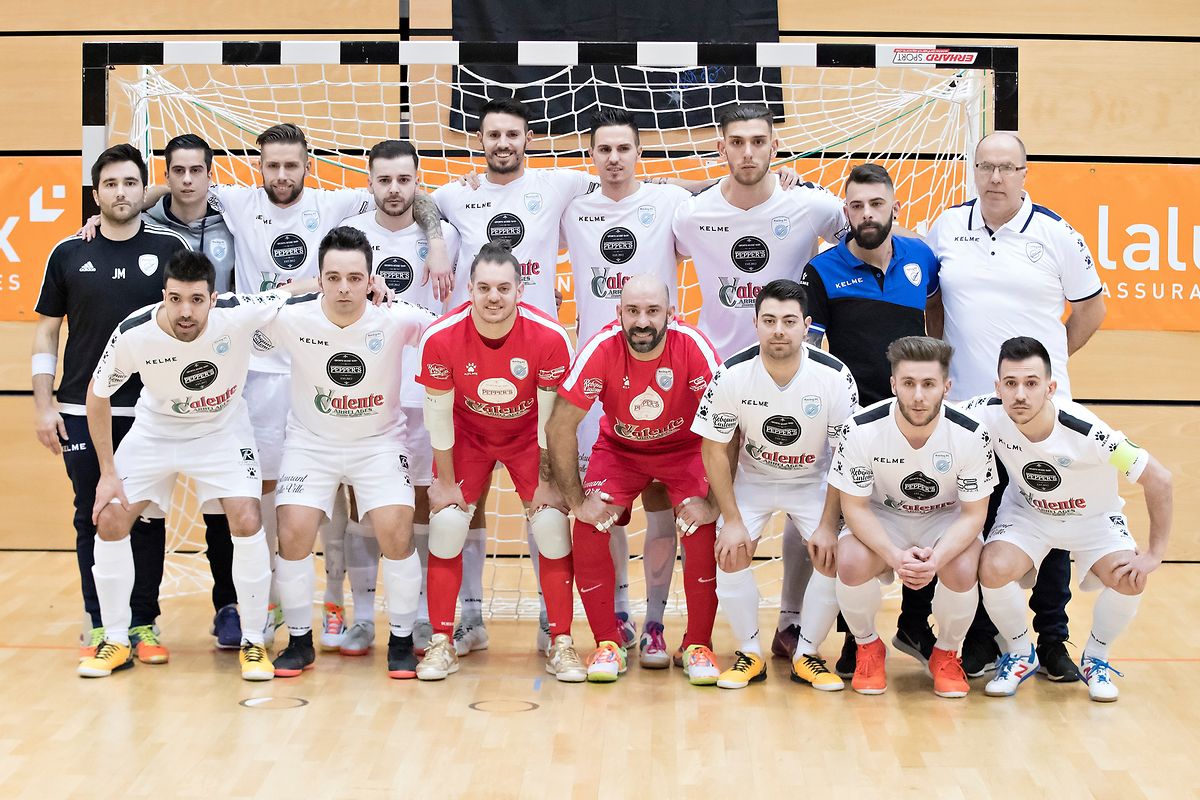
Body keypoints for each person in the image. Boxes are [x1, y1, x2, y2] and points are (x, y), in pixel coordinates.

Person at [926, 131, 1107, 680]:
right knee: (976, 526)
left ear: (1025, 172)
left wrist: (1039, 375)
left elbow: (1090, 310)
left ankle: (1053, 641)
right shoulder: (946, 228)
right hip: (969, 415)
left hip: (1039, 416)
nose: (996, 178)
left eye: (1007, 167)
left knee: (1050, 521)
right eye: (986, 167)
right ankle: (983, 641)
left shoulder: (1056, 233)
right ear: (974, 171)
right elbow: (934, 306)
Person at [672, 103, 847, 662]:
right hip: (719, 379)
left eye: (758, 142)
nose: (748, 152)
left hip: (795, 372)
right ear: (721, 148)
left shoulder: (811, 204)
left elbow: (868, 231)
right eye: (736, 143)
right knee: (714, 514)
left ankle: (793, 621)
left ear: (775, 147)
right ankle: (693, 631)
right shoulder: (691, 214)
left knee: (805, 502)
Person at [78, 251, 296, 680]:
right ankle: (116, 640)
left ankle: (253, 641)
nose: (185, 311)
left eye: (196, 300)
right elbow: (96, 394)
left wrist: (367, 287)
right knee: (109, 520)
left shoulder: (237, 313)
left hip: (221, 431)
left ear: (213, 299)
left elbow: (293, 292)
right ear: (164, 295)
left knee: (248, 518)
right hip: (156, 431)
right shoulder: (134, 333)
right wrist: (107, 473)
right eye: (175, 299)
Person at [432, 98, 600, 653]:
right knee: (457, 518)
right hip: (474, 376)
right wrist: (436, 241)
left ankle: (555, 632)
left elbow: (633, 179)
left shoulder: (558, 184)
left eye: (512, 134)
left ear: (528, 138)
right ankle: (467, 621)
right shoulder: (456, 194)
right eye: (493, 135)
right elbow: (413, 204)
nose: (503, 142)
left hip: (536, 375)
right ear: (479, 141)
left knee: (548, 521)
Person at [33, 144, 189, 664]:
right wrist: (42, 404)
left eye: (130, 183)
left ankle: (143, 623)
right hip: (80, 407)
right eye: (110, 184)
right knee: (92, 513)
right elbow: (47, 334)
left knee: (146, 516)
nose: (120, 193)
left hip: (153, 409)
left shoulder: (170, 249)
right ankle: (102, 623)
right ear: (96, 192)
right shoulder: (67, 252)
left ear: (141, 191)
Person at [261, 226, 434, 679]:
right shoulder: (292, 316)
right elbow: (242, 309)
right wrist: (295, 288)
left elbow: (448, 331)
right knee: (294, 530)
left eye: (355, 278)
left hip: (378, 444)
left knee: (397, 528)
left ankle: (399, 640)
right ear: (319, 279)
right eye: (333, 277)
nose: (344, 288)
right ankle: (299, 642)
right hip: (310, 443)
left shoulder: (396, 316)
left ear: (371, 278)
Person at [966, 336, 1172, 702]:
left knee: (1130, 579)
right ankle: (1019, 653)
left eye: (1031, 383)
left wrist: (1155, 553)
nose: (1020, 395)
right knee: (991, 568)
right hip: (1028, 514)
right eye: (1010, 384)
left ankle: (1096, 658)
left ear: (1051, 387)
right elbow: (935, 412)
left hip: (1093, 520)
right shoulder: (988, 412)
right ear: (998, 387)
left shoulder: (1089, 431)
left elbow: (1159, 478)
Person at [799, 163, 943, 677]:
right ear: (846, 212)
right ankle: (853, 642)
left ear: (893, 208)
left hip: (917, 418)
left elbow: (935, 317)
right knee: (846, 530)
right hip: (856, 423)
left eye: (875, 204)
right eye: (855, 206)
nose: (866, 214)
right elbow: (812, 350)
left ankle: (914, 624)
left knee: (925, 512)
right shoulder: (823, 270)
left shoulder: (921, 258)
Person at [559, 108, 692, 665]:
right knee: (600, 506)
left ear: (639, 152)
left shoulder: (670, 203)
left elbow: (723, 205)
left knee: (662, 501)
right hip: (599, 378)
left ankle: (658, 620)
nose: (614, 158)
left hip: (663, 371)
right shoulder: (573, 208)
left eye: (624, 148)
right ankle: (617, 612)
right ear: (592, 156)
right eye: (603, 149)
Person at [414, 241, 581, 682]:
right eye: (484, 287)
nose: (494, 297)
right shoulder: (441, 337)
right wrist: (446, 485)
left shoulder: (549, 337)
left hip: (528, 435)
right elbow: (437, 418)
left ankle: (560, 640)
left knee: (549, 522)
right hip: (468, 434)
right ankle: (441, 641)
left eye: (504, 288)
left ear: (521, 291)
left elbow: (551, 420)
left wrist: (549, 483)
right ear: (468, 289)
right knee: (448, 522)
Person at [546, 275, 722, 685]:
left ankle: (697, 644)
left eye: (652, 311)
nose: (642, 321)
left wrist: (713, 501)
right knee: (590, 527)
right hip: (621, 451)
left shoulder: (693, 348)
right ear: (618, 313)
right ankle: (607, 641)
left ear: (671, 314)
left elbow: (726, 424)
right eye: (632, 311)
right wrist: (577, 502)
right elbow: (559, 426)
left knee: (700, 527)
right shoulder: (601, 347)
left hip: (685, 450)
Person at [693, 279, 857, 691]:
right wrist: (729, 518)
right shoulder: (731, 373)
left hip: (814, 481)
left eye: (788, 321)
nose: (778, 330)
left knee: (835, 553)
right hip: (755, 479)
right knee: (729, 550)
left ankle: (807, 653)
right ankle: (750, 653)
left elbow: (844, 455)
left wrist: (827, 522)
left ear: (807, 326)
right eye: (769, 321)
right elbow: (714, 449)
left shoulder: (835, 377)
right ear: (756, 324)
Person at [342, 140, 462, 656]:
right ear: (369, 183)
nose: (394, 190)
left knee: (426, 504)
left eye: (404, 180)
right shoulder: (348, 240)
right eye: (384, 180)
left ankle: (423, 617)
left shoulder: (448, 237)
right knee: (364, 503)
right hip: (367, 391)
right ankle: (364, 617)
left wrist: (434, 237)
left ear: (419, 183)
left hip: (431, 389)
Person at [828, 336, 995, 698]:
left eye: (929, 384)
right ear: (893, 385)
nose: (918, 395)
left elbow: (973, 515)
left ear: (946, 387)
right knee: (851, 560)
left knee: (964, 567)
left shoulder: (971, 434)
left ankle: (947, 653)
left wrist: (936, 558)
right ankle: (868, 646)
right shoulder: (860, 429)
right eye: (908, 383)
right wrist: (894, 556)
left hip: (943, 522)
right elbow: (854, 506)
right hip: (883, 518)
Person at [142, 132, 243, 649]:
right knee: (149, 506)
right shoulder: (148, 224)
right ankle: (141, 616)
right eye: (176, 171)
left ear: (209, 173)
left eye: (195, 171)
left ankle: (228, 605)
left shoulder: (234, 220)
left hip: (222, 382)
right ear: (165, 176)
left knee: (221, 506)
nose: (186, 181)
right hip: (162, 382)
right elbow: (120, 206)